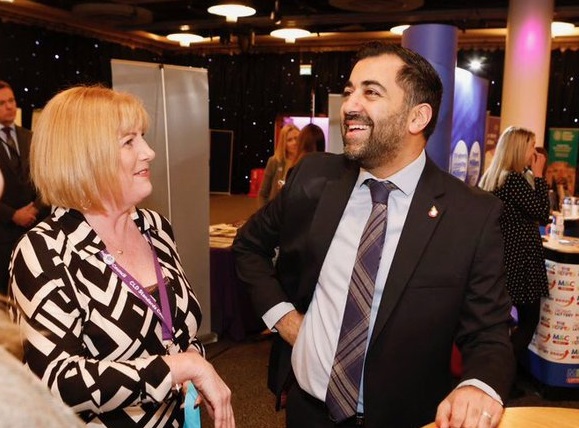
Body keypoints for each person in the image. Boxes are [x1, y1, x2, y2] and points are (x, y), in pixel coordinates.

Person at [233, 42, 515, 428]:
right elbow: (249, 247)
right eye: (350, 90)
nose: (350, 105)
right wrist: (284, 317)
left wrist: (479, 384)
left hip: (406, 418)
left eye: (371, 92)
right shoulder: (314, 178)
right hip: (308, 410)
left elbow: (488, 332)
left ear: (417, 117)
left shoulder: (471, 215)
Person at [9, 86, 235, 428]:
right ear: (84, 156)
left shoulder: (155, 228)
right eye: (129, 142)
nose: (150, 152)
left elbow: (176, 332)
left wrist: (191, 361)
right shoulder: (45, 250)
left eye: (142, 137)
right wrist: (179, 368)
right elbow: (56, 380)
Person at [478, 126, 550, 372]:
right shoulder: (514, 180)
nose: (535, 153)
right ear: (520, 149)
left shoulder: (495, 176)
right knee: (529, 321)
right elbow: (542, 213)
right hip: (522, 261)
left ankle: (501, 374)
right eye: (532, 147)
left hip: (509, 259)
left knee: (508, 321)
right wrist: (539, 176)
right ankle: (501, 375)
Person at [0, 80, 47, 295]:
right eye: (2, 103)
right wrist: (13, 215)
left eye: (11, 100)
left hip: (35, 226)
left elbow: (46, 177)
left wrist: (35, 208)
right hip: (3, 232)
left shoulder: (30, 137)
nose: (10, 106)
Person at [258, 123, 300, 207]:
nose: (294, 142)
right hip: (276, 211)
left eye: (296, 138)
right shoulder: (274, 161)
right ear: (283, 143)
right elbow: (263, 193)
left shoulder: (305, 161)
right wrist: (263, 215)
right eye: (289, 140)